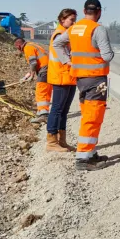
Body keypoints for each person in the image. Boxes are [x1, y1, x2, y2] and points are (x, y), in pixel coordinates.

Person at [54, 0, 114, 171]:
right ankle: (83, 158)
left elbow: (57, 43)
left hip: (81, 79)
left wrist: (67, 61)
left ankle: (91, 153)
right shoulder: (98, 29)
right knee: (93, 117)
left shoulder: (74, 28)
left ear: (84, 10)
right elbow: (107, 56)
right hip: (96, 79)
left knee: (88, 115)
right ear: (99, 12)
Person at [45, 8, 78, 153]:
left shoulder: (66, 34)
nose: (73, 22)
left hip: (68, 77)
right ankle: (51, 142)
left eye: (74, 19)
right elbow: (65, 57)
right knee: (57, 110)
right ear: (62, 20)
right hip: (60, 77)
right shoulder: (59, 34)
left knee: (64, 111)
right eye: (71, 19)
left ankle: (62, 141)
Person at [15, 38, 51, 124]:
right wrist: (27, 76)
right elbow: (36, 63)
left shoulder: (27, 48)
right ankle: (42, 113)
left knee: (41, 92)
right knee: (46, 91)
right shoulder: (32, 45)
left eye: (16, 48)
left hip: (44, 70)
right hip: (49, 69)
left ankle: (44, 115)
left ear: (19, 46)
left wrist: (32, 75)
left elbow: (33, 63)